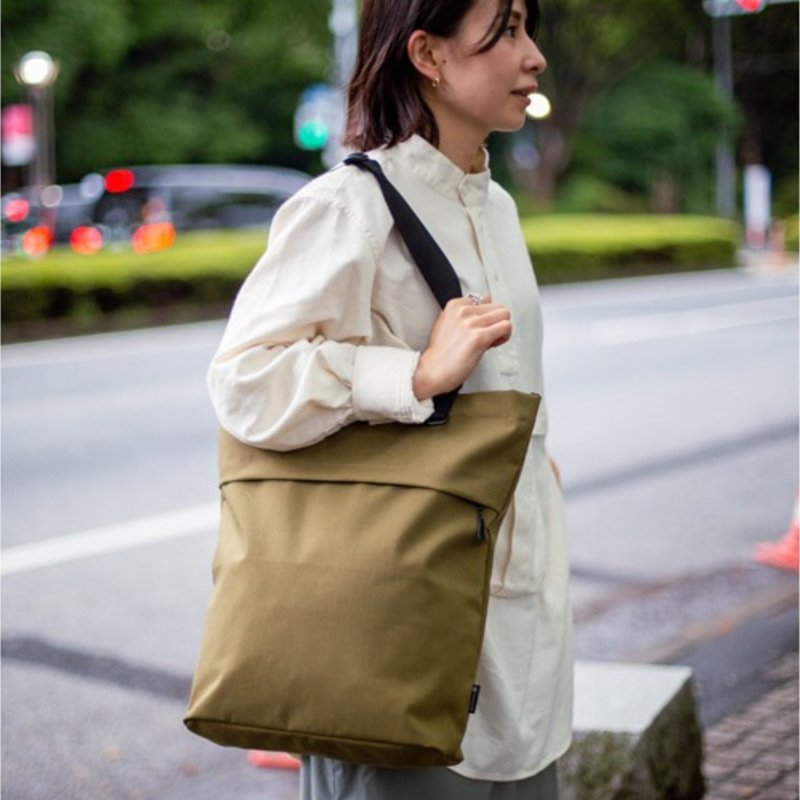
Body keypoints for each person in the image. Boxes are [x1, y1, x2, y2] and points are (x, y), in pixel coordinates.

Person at [206, 0, 574, 796]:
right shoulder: (349, 206)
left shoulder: (497, 206)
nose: (534, 54)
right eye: (505, 29)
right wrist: (409, 375)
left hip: (519, 646)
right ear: (429, 55)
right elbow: (244, 380)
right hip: (391, 650)